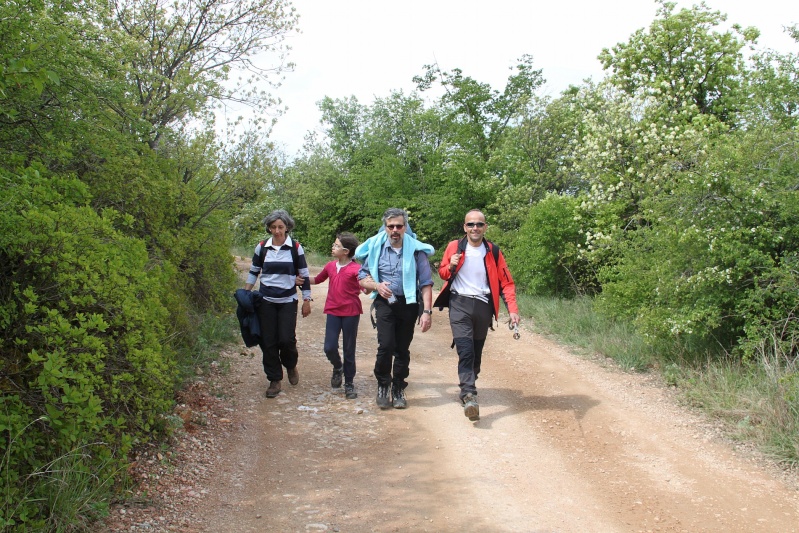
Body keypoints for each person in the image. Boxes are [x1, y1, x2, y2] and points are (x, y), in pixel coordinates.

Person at [433, 209, 520, 421]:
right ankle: (469, 394)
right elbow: (443, 273)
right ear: (465, 227)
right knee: (465, 350)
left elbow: (506, 282)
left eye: (479, 224)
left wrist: (513, 310)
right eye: (471, 224)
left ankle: (469, 382)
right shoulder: (454, 247)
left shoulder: (493, 251)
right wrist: (450, 265)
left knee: (476, 353)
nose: (475, 228)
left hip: (483, 306)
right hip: (459, 303)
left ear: (485, 227)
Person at [355, 208, 435, 410]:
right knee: (386, 346)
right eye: (391, 226)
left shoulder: (417, 251)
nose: (395, 230)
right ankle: (383, 384)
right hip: (384, 304)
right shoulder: (376, 249)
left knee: (401, 349)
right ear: (385, 228)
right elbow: (362, 276)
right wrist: (376, 286)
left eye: (399, 226)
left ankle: (398, 387)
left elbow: (426, 282)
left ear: (405, 227)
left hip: (408, 304)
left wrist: (427, 312)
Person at [244, 209, 312, 398]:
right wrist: (246, 293)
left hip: (288, 301)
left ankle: (290, 365)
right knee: (268, 341)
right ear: (268, 228)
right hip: (265, 300)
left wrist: (306, 299)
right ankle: (274, 379)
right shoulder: (262, 247)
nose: (277, 231)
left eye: (280, 227)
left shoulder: (295, 248)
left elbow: (304, 275)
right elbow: (254, 271)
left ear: (287, 227)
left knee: (286, 339)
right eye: (273, 227)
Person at [309, 232, 362, 399]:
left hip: (351, 312)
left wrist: (370, 287)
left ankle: (349, 383)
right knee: (329, 347)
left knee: (349, 348)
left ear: (346, 251)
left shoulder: (356, 269)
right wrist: (300, 279)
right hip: (332, 310)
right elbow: (317, 280)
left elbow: (364, 285)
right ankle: (337, 366)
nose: (333, 247)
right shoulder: (330, 266)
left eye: (336, 245)